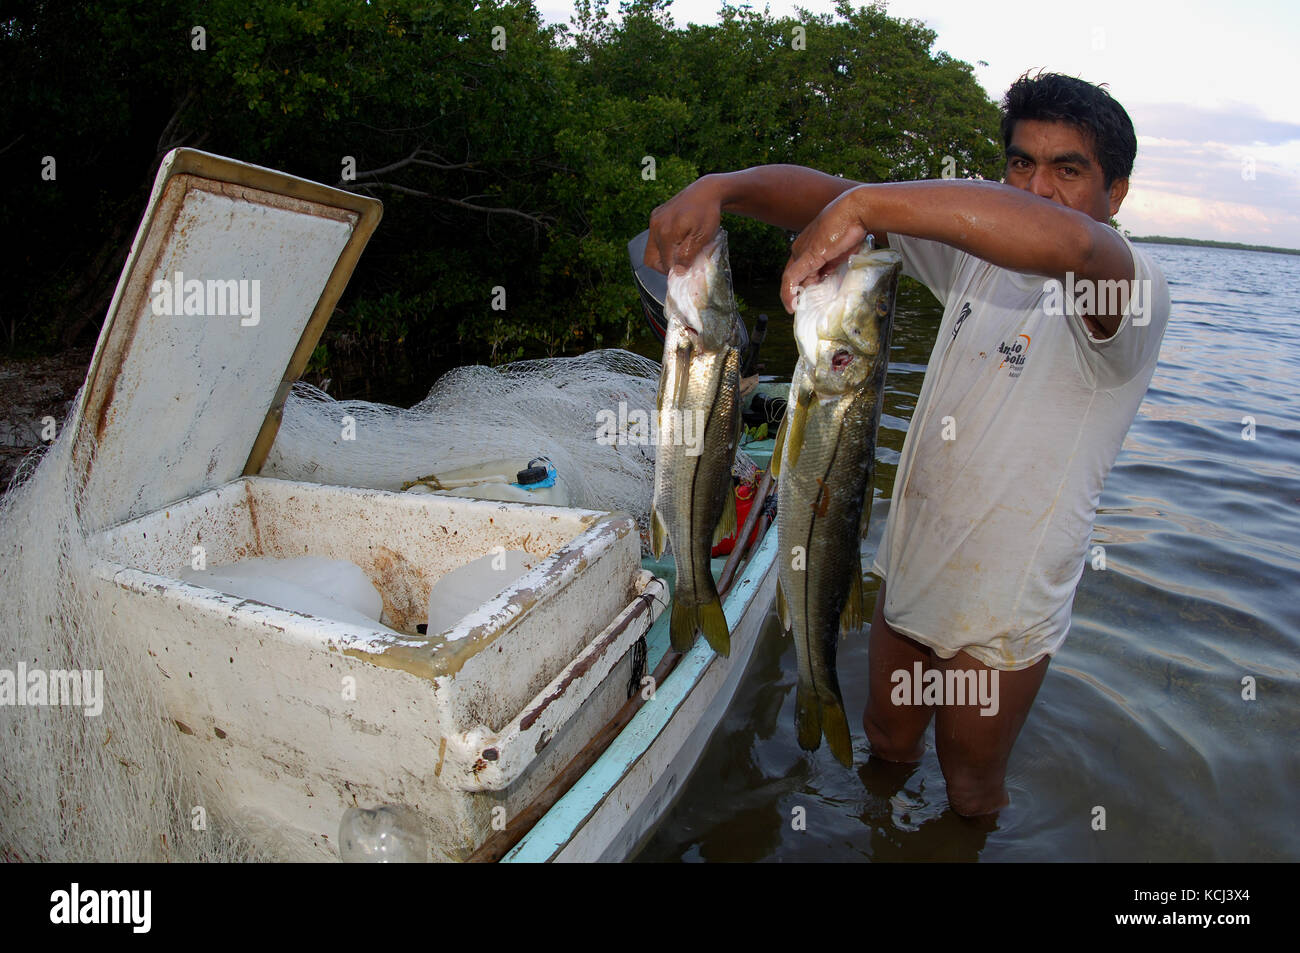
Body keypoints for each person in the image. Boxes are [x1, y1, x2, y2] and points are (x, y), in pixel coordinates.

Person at [644, 71, 1170, 816]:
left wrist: (864, 205)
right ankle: (875, 835)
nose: (1037, 186)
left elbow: (1077, 246)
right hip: (913, 561)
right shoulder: (975, 258)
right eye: (1021, 163)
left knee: (970, 784)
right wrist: (722, 188)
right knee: (885, 739)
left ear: (1116, 193)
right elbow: (827, 194)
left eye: (1069, 169)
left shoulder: (1130, 290)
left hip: (1003, 606)